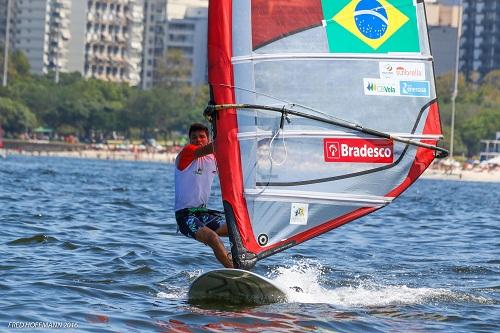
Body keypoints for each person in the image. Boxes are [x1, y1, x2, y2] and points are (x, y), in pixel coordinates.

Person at [174, 123, 233, 268]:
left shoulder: (213, 159)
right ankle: (235, 271)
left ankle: (241, 261)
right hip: (185, 216)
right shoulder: (187, 152)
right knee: (213, 238)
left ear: (208, 138)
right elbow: (217, 146)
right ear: (189, 140)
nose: (198, 140)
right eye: (194, 137)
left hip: (203, 214)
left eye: (202, 137)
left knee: (237, 228)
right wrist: (230, 135)